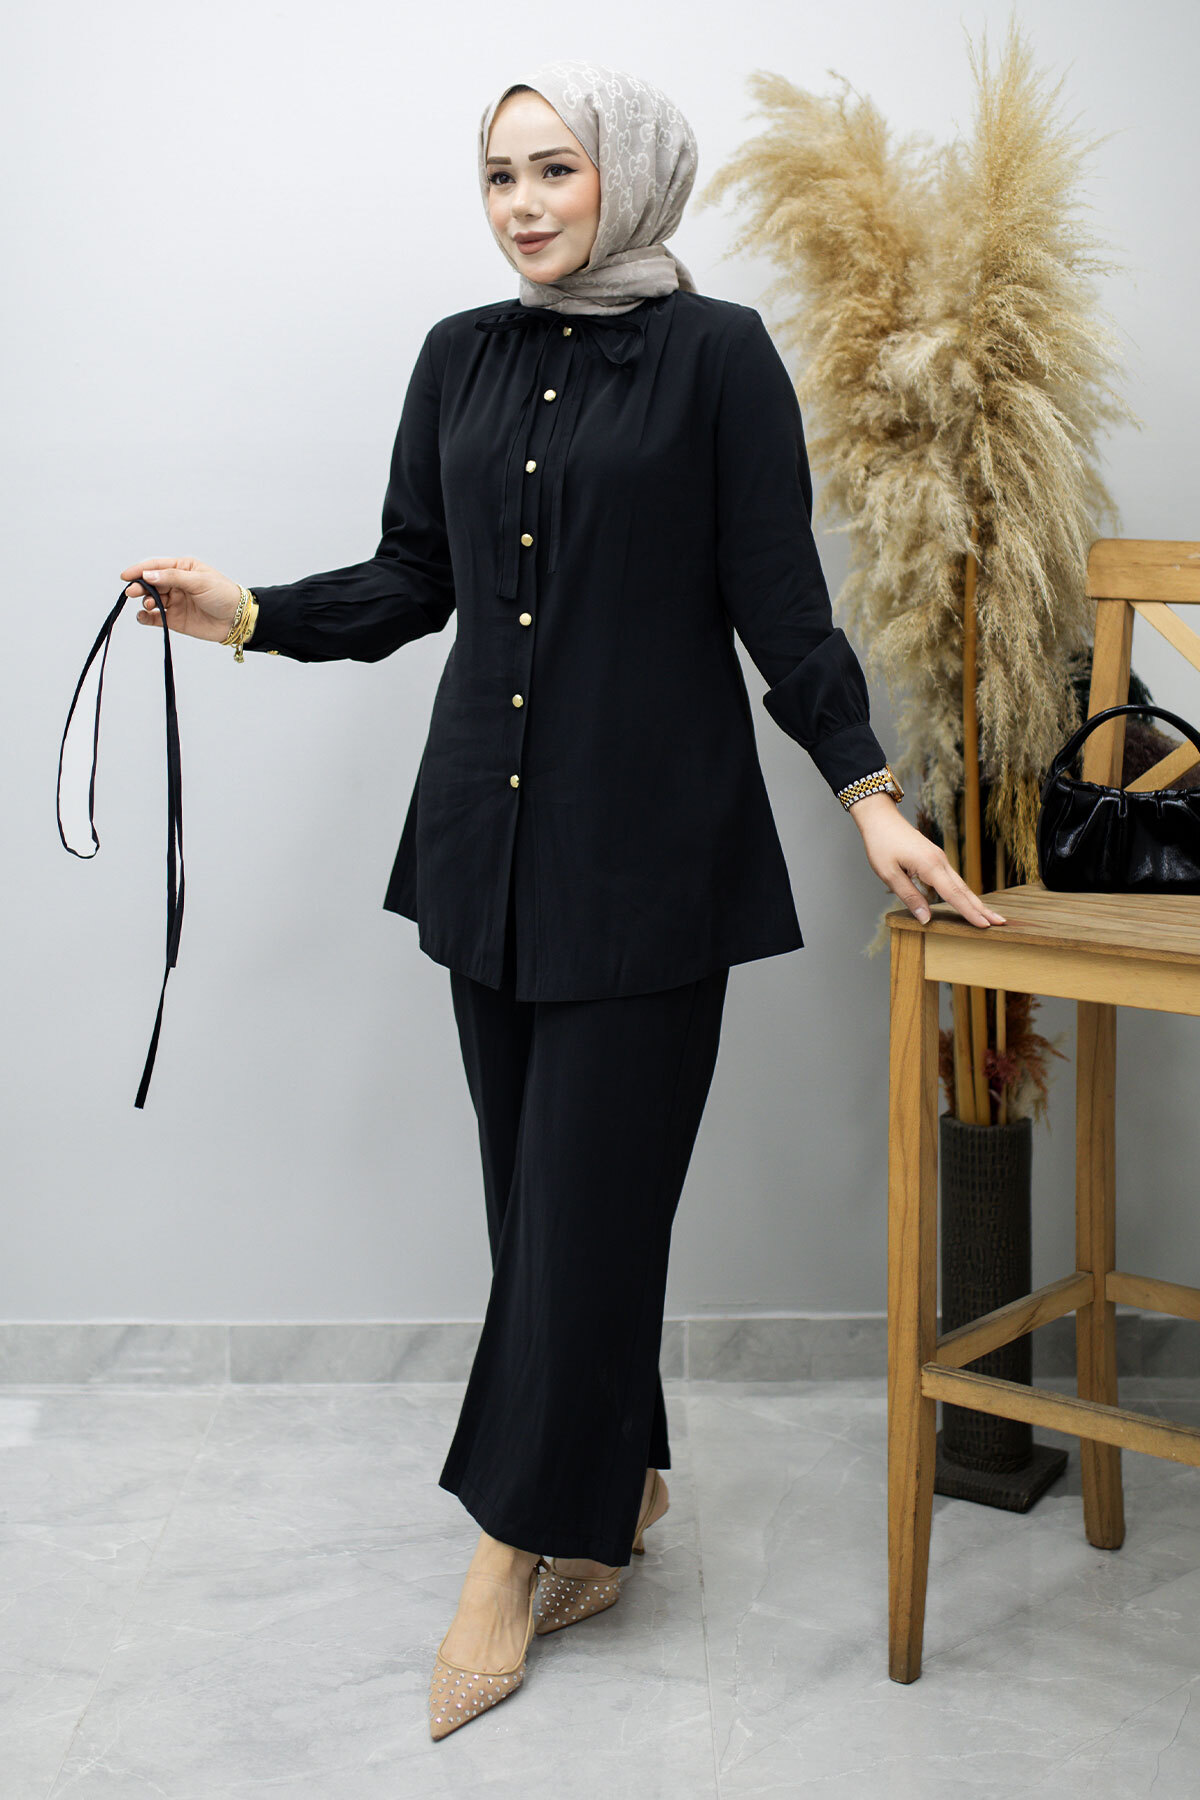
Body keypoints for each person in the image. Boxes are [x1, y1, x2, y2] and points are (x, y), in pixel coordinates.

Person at [119, 60, 1006, 1740]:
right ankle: (622, 1488)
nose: (523, 204)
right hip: (487, 849)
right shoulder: (457, 356)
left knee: (586, 1214)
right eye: (499, 175)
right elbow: (415, 579)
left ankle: (509, 1554)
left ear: (632, 178)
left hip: (653, 859)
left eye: (556, 170)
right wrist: (248, 614)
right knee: (538, 1212)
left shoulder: (719, 356)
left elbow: (780, 601)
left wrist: (871, 797)